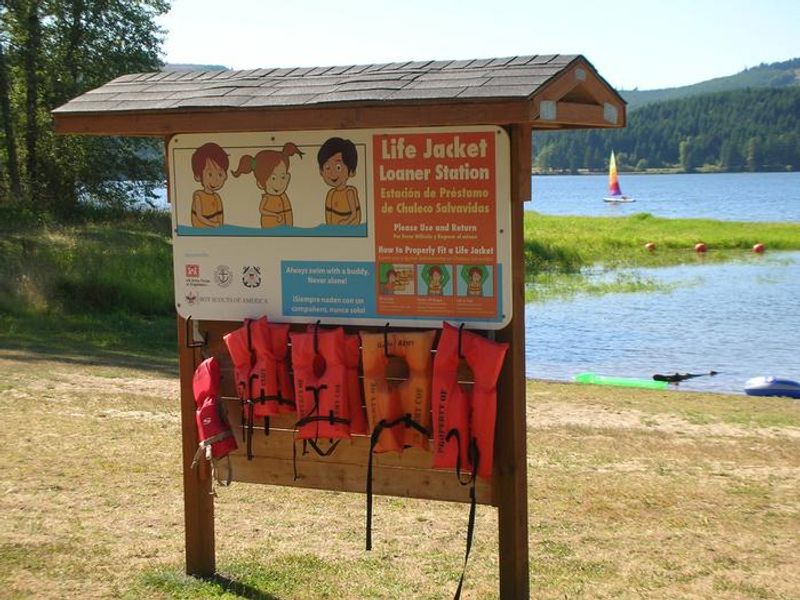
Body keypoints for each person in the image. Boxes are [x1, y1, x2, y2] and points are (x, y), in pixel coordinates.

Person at [232, 143, 304, 227]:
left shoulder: (283, 196)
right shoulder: (267, 198)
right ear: (260, 184)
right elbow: (262, 210)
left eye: (283, 177)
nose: (279, 184)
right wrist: (275, 215)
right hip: (270, 229)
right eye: (273, 178)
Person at [318, 137, 361, 225]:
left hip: (349, 228)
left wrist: (345, 222)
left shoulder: (349, 192)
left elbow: (354, 215)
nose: (332, 173)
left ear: (351, 171)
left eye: (338, 167)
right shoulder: (331, 194)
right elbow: (328, 215)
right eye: (327, 168)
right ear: (321, 171)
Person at [190, 143, 228, 227]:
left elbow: (220, 214)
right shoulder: (198, 196)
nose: (215, 180)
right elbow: (199, 216)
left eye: (220, 174)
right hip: (200, 227)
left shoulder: (217, 197)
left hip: (215, 229)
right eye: (210, 174)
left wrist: (220, 227)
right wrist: (213, 224)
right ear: (198, 176)